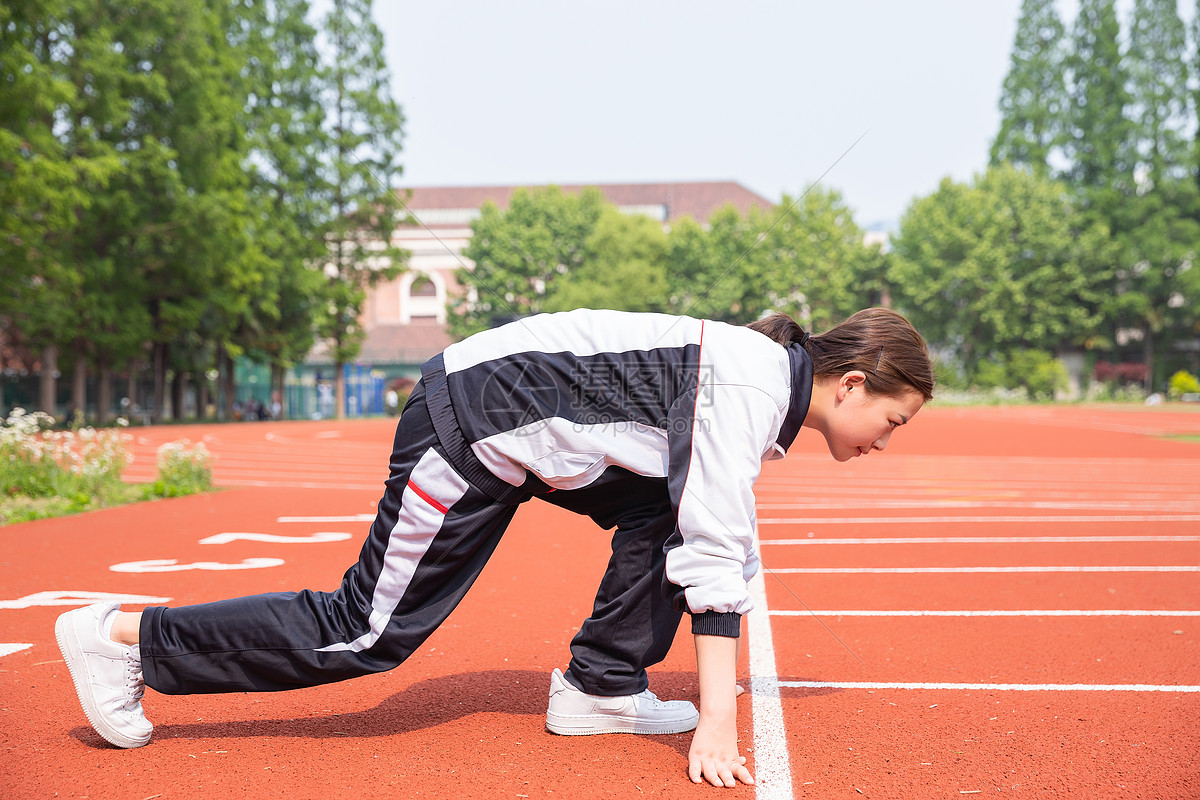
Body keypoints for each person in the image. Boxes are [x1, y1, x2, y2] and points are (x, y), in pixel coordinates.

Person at [55, 307, 933, 788]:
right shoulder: (746, 385)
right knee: (365, 632)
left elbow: (710, 531)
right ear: (851, 384)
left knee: (675, 513)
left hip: (523, 431)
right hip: (468, 424)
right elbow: (716, 559)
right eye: (889, 423)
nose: (884, 442)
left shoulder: (759, 382)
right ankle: (122, 636)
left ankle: (600, 688)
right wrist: (717, 722)